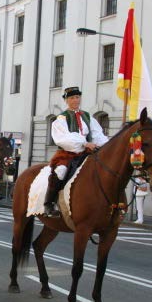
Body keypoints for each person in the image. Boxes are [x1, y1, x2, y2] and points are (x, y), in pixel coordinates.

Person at [44, 86, 108, 217]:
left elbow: (97, 134)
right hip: (69, 153)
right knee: (60, 171)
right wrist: (84, 143)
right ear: (66, 100)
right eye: (72, 98)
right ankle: (49, 203)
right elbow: (63, 138)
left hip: (88, 152)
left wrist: (105, 145)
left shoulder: (88, 117)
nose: (75, 100)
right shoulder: (61, 118)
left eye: (77, 97)